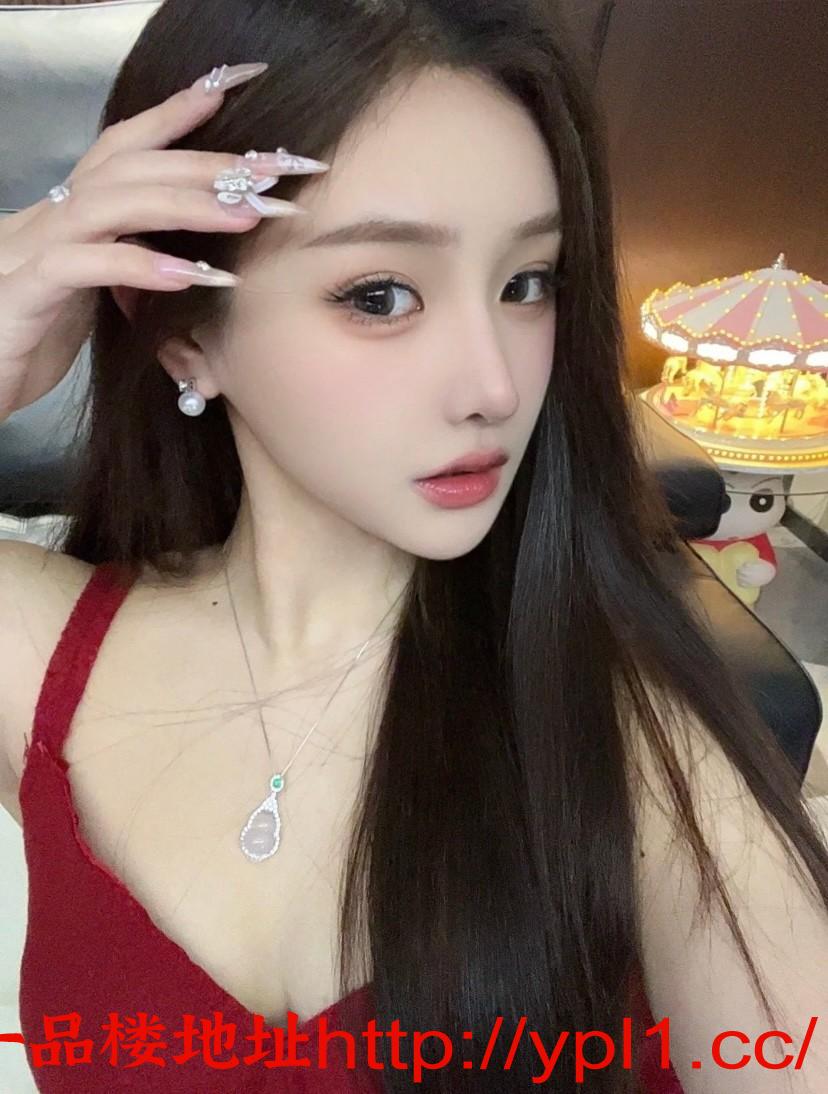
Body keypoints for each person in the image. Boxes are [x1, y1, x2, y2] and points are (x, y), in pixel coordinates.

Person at [0, 1, 825, 1091]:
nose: (494, 385)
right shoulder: (43, 660)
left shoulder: (635, 752)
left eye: (528, 283)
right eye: (382, 294)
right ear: (189, 336)